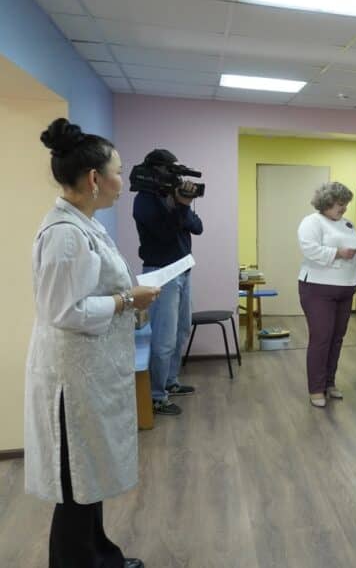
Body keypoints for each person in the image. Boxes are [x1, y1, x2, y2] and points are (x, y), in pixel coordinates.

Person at [27, 117, 159, 568]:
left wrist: (129, 298)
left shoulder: (83, 224)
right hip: (72, 380)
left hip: (90, 370)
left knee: (88, 477)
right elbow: (65, 312)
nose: (123, 182)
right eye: (118, 172)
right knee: (75, 484)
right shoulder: (65, 235)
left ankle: (100, 555)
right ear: (94, 179)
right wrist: (128, 299)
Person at [132, 149, 203, 416]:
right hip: (161, 273)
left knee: (181, 330)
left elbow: (197, 227)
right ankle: (155, 397)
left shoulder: (172, 197)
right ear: (157, 170)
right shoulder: (144, 200)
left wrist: (181, 203)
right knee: (163, 339)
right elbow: (163, 234)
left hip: (182, 270)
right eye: (168, 169)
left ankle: (170, 382)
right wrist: (180, 207)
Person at [297, 182, 356, 408]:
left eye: (345, 204)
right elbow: (310, 249)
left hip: (346, 286)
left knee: (337, 338)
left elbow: (353, 251)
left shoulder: (347, 224)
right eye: (339, 204)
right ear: (326, 202)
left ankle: (329, 382)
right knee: (321, 338)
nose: (344, 208)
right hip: (318, 288)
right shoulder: (312, 222)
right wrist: (338, 253)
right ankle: (316, 389)